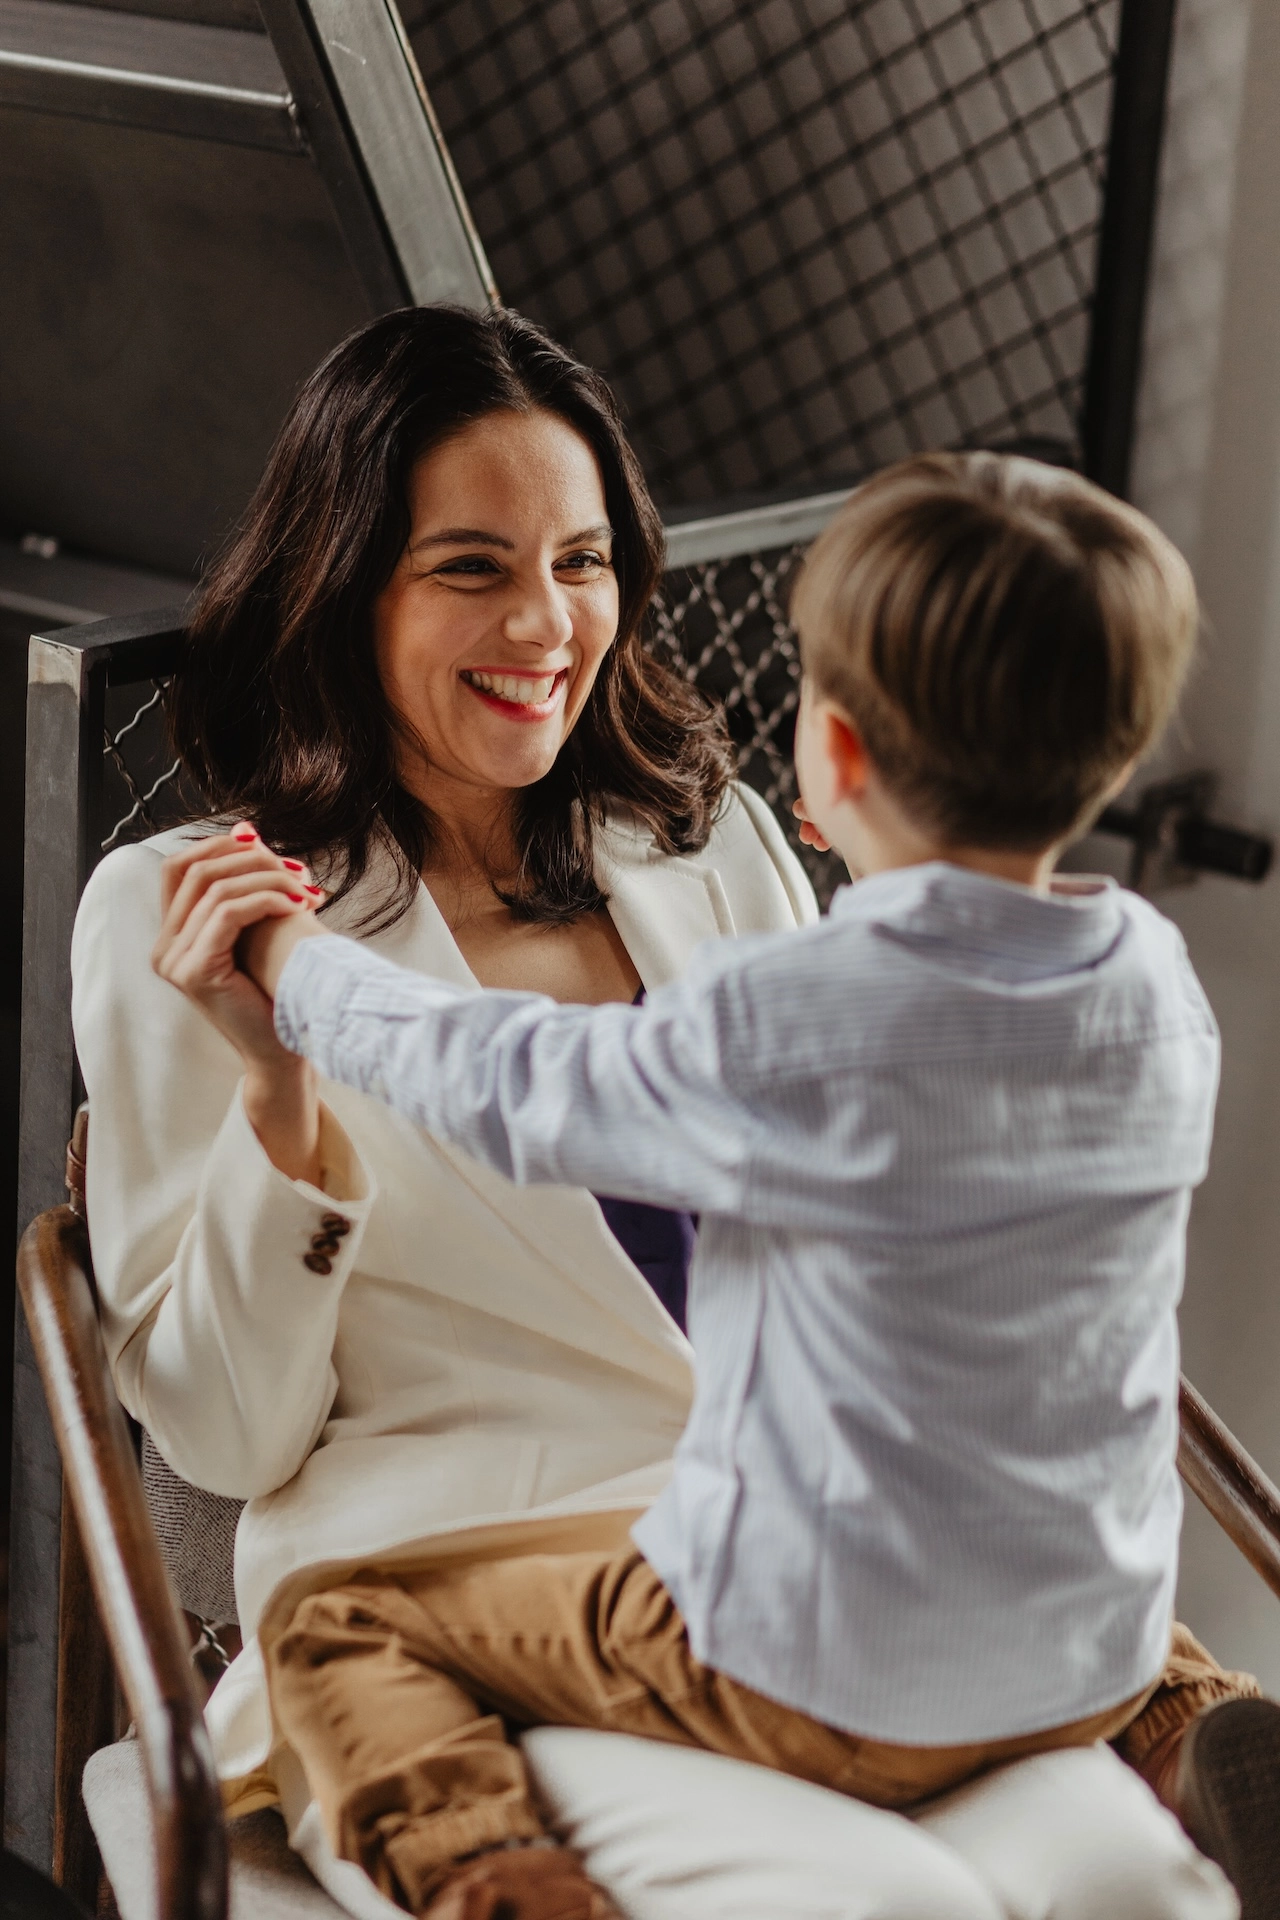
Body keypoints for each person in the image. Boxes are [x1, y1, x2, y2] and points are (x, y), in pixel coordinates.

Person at [163, 451, 1280, 1920]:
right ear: (1113, 764)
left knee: (340, 1622)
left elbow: (506, 1078)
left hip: (815, 1663)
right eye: (477, 565)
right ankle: (1195, 1732)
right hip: (1086, 1645)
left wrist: (302, 970)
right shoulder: (1151, 990)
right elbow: (945, 1087)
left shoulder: (795, 1017)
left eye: (581, 561)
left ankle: (491, 1875)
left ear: (840, 754)